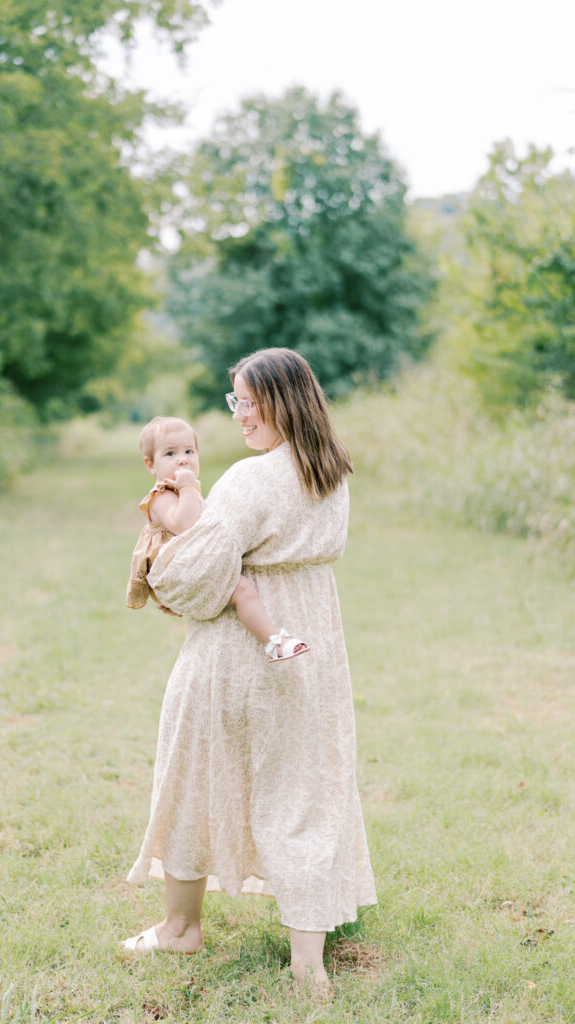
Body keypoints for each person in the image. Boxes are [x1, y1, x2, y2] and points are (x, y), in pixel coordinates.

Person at [122, 349, 376, 991]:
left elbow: (193, 579)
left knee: (193, 777)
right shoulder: (333, 475)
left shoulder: (249, 479)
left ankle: (181, 930)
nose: (239, 415)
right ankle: (308, 963)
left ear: (281, 400)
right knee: (306, 791)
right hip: (310, 642)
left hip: (236, 653)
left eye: (247, 401)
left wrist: (159, 567)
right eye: (234, 401)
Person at [125, 415, 309, 661]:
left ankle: (275, 641)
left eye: (189, 451)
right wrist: (189, 486)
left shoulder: (182, 492)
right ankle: (273, 641)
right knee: (243, 587)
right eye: (170, 454)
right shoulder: (161, 497)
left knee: (243, 590)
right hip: (178, 573)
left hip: (193, 565)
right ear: (150, 465)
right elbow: (185, 525)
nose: (182, 459)